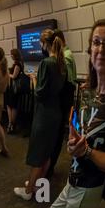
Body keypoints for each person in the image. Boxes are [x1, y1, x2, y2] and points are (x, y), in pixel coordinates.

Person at [47, 20, 105, 208]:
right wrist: (73, 142)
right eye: (96, 42)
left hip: (91, 186)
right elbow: (79, 135)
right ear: (90, 51)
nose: (101, 48)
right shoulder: (87, 91)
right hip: (72, 181)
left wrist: (86, 151)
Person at [14, 29, 67, 201]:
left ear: (45, 44)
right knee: (47, 153)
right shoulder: (61, 62)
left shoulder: (46, 63)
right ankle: (39, 187)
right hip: (55, 113)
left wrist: (34, 79)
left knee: (38, 154)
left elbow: (39, 93)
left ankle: (29, 191)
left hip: (44, 115)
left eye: (41, 44)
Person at [46, 29, 78, 179]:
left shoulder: (66, 56)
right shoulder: (66, 54)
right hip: (64, 98)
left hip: (63, 100)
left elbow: (67, 80)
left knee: (57, 134)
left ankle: (50, 166)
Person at [6, 49, 25, 134]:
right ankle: (11, 124)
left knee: (11, 106)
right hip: (16, 88)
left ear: (14, 55)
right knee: (12, 106)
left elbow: (14, 76)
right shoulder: (20, 63)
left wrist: (7, 74)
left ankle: (11, 124)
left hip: (14, 88)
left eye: (11, 54)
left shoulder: (17, 65)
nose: (11, 56)